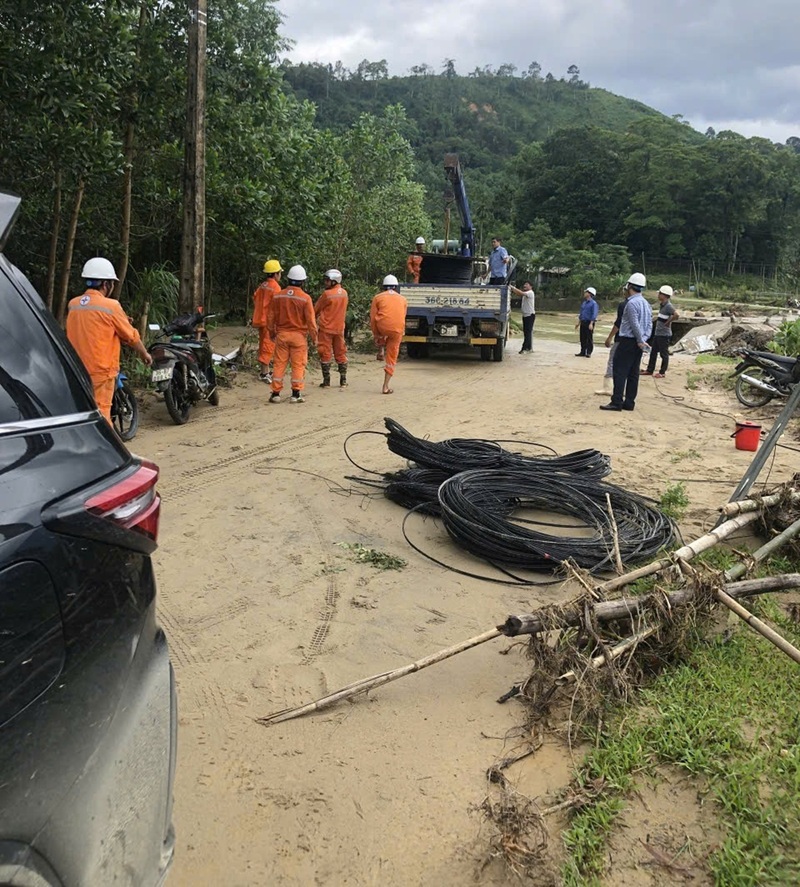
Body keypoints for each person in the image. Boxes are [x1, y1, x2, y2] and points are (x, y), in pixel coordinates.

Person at [66, 257, 152, 425]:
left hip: (75, 369)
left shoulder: (73, 304)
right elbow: (131, 337)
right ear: (106, 284)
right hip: (100, 371)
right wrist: (144, 353)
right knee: (102, 415)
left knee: (82, 411)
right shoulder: (111, 306)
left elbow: (91, 324)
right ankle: (109, 449)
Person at [600, 272, 651, 412]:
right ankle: (629, 402)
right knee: (633, 373)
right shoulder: (646, 304)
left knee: (620, 371)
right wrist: (643, 340)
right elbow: (649, 325)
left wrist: (640, 339)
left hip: (628, 341)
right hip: (639, 343)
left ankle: (616, 401)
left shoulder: (631, 304)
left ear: (629, 286)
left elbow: (634, 324)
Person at [267, 265, 317, 404]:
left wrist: (271, 332)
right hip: (298, 337)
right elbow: (311, 321)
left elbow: (270, 317)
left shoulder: (278, 296)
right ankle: (296, 394)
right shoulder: (305, 298)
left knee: (279, 364)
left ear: (288, 279)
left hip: (282, 336)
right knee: (298, 365)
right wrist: (314, 338)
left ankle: (275, 394)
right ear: (302, 281)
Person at [370, 274, 407, 395]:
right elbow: (402, 316)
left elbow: (373, 319)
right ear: (396, 287)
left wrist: (376, 335)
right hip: (397, 330)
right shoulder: (403, 299)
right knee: (391, 357)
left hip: (383, 327)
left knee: (380, 329)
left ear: (383, 287)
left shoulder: (377, 298)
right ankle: (385, 387)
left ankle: (380, 350)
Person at [315, 269, 349, 388]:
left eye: (328, 280)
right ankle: (343, 381)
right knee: (340, 353)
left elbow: (316, 309)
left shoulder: (327, 294)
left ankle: (327, 381)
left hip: (326, 328)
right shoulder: (345, 293)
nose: (326, 282)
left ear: (334, 281)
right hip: (339, 329)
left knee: (325, 353)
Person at [252, 259, 282, 382]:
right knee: (268, 346)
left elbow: (255, 297)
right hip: (269, 322)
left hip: (260, 320)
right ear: (275, 274)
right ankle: (264, 373)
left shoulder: (263, 285)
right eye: (279, 273)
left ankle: (265, 371)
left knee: (263, 344)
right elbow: (279, 305)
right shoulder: (275, 287)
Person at [642, 285, 678, 378]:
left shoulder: (668, 306)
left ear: (665, 295)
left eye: (660, 293)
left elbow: (676, 315)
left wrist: (668, 322)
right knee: (653, 352)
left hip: (664, 334)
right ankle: (650, 370)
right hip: (658, 333)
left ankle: (662, 372)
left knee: (664, 354)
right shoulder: (662, 305)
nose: (658, 295)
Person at [595, 297, 627, 396]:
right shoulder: (644, 304)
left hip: (621, 338)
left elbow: (618, 323)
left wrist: (609, 338)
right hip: (634, 341)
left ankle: (607, 387)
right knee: (627, 364)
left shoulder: (624, 305)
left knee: (612, 361)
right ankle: (624, 389)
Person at [510, 281, 536, 353]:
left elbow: (520, 293)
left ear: (531, 287)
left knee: (527, 332)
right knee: (527, 332)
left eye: (527, 284)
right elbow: (519, 293)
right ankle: (529, 348)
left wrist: (512, 288)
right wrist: (513, 289)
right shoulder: (526, 294)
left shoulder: (530, 292)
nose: (525, 285)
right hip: (525, 315)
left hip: (530, 315)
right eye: (524, 284)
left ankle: (524, 349)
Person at [575, 287, 599, 357]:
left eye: (586, 292)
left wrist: (591, 323)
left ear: (589, 294)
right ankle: (583, 351)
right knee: (582, 337)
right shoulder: (584, 303)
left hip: (589, 322)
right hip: (583, 321)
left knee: (589, 337)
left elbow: (594, 314)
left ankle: (588, 352)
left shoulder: (593, 304)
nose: (584, 293)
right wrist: (578, 323)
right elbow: (581, 313)